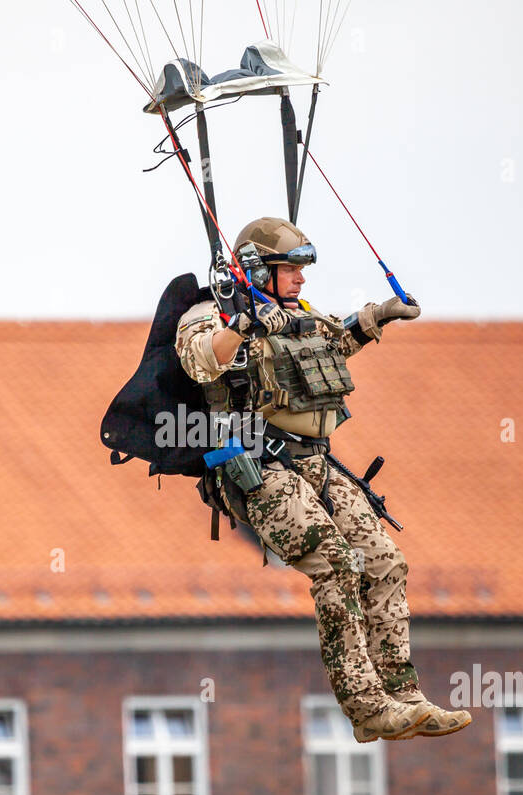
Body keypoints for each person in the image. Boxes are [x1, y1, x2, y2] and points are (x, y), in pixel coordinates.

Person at [174, 217, 473, 744]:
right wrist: (244, 326)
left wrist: (380, 315)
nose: (301, 279)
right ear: (259, 270)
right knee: (337, 563)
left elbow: (333, 340)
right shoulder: (212, 314)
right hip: (258, 469)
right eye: (290, 269)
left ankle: (404, 695)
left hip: (318, 463)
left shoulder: (298, 315)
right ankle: (366, 706)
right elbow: (201, 364)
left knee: (384, 560)